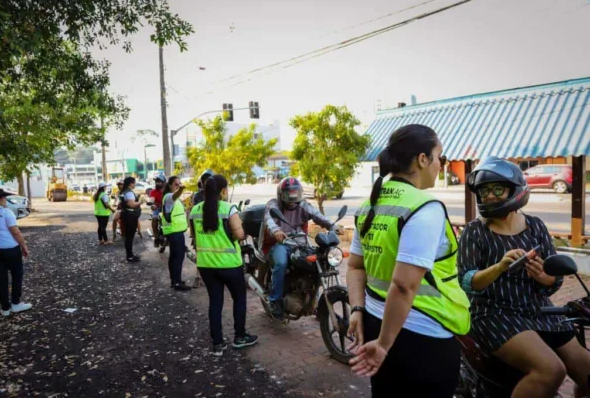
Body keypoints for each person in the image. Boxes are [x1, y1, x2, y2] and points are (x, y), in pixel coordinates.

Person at [346, 125, 470, 398]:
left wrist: (357, 310)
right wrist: (383, 346)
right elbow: (404, 287)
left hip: (377, 322)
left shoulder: (370, 204)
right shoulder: (425, 207)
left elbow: (355, 266)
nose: (441, 165)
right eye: (440, 157)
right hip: (421, 335)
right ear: (422, 159)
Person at [458, 156, 590, 398]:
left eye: (498, 189)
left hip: (540, 310)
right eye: (484, 191)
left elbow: (554, 281)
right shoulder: (475, 231)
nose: (489, 196)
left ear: (515, 190)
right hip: (494, 314)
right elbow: (467, 281)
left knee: (586, 370)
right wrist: (499, 267)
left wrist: (542, 276)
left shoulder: (536, 226)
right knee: (550, 370)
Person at [190, 174, 258, 356]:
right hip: (229, 265)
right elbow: (239, 235)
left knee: (215, 302)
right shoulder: (228, 209)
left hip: (206, 266)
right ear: (223, 191)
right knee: (239, 299)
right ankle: (240, 337)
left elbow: (194, 237)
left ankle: (218, 344)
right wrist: (241, 228)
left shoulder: (195, 210)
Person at [262, 177, 343, 319]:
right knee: (281, 263)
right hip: (280, 243)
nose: (292, 197)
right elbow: (269, 219)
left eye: (295, 193)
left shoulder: (303, 205)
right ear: (281, 194)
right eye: (289, 193)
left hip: (300, 243)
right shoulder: (273, 204)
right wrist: (276, 231)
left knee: (319, 261)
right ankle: (275, 301)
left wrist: (332, 225)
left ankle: (314, 301)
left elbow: (317, 215)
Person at [0, 188, 32, 317]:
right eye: (4, 198)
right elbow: (15, 232)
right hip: (10, 249)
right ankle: (16, 303)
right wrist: (24, 245)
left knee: (0, 278)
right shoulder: (6, 212)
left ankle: (5, 308)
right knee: (16, 275)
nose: (6, 201)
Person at [161, 176, 192, 291]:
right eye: (176, 184)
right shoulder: (170, 196)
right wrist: (181, 190)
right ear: (169, 185)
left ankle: (174, 280)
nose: (178, 186)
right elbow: (175, 195)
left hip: (174, 231)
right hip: (175, 231)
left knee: (174, 257)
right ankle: (177, 282)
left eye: (180, 184)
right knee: (178, 257)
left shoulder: (171, 198)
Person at [120, 177, 143, 262]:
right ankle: (130, 256)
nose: (135, 184)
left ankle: (130, 255)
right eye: (134, 183)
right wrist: (141, 201)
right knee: (129, 237)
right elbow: (132, 205)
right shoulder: (129, 193)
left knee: (128, 236)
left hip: (126, 215)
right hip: (130, 216)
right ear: (130, 183)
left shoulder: (124, 192)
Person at [149, 174, 166, 248]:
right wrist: (152, 205)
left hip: (167, 209)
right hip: (157, 209)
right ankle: (156, 238)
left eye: (159, 181)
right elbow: (152, 200)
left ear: (164, 182)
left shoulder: (167, 190)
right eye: (156, 181)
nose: (157, 183)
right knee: (154, 219)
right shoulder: (153, 191)